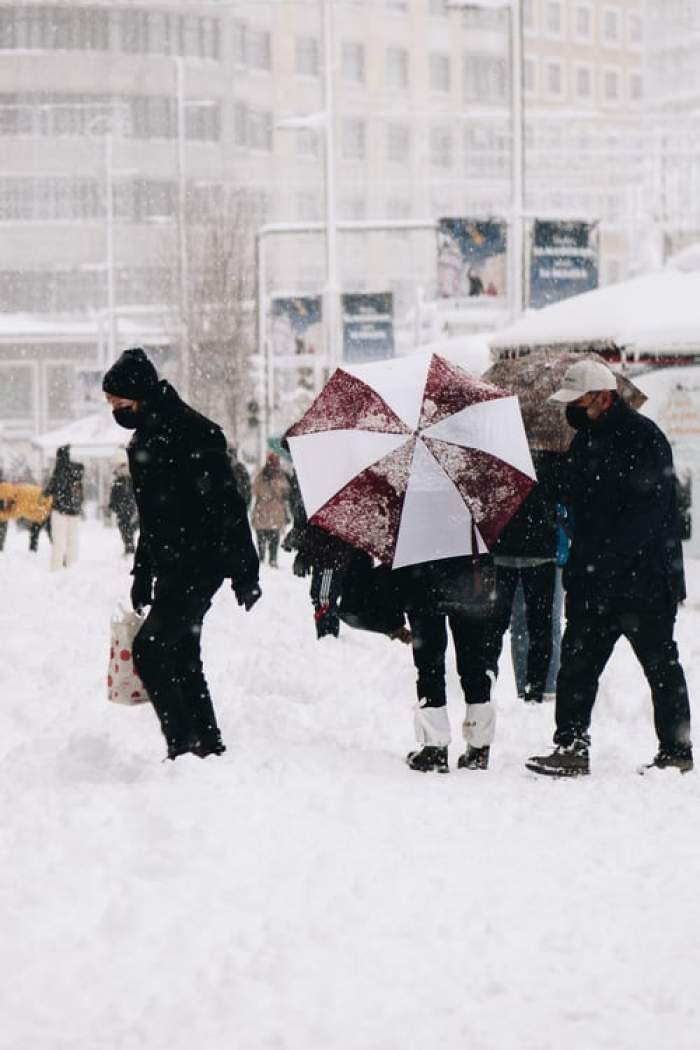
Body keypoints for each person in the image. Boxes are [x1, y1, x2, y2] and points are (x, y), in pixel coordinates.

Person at [526, 360, 693, 777]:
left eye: (578, 400)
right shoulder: (586, 440)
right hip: (597, 581)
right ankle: (571, 746)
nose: (572, 410)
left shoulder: (644, 438)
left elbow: (648, 514)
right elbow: (581, 494)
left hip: (645, 582)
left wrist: (604, 562)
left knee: (660, 667)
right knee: (577, 667)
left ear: (603, 397)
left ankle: (675, 751)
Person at [102, 346, 261, 761]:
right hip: (172, 563)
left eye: (118, 402)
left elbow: (227, 506)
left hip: (199, 562)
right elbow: (153, 516)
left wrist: (246, 571)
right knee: (182, 654)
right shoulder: (147, 436)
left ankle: (183, 746)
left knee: (151, 651)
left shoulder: (192, 433)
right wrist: (142, 572)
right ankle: (207, 744)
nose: (114, 410)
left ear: (139, 395)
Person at [398, 554, 498, 773]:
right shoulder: (470, 519)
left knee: (429, 664)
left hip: (423, 576)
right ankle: (479, 744)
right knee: (474, 663)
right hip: (471, 573)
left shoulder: (415, 522)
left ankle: (435, 746)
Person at [486, 451, 562, 704]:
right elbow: (563, 493)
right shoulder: (552, 456)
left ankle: (487, 677)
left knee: (497, 624)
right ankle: (535, 687)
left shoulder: (500, 450)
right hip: (540, 548)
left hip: (502, 545)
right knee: (540, 624)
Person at [44, 445, 84, 571]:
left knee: (59, 541)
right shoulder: (77, 470)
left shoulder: (59, 470)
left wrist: (44, 494)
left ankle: (55, 568)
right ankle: (72, 566)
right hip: (74, 511)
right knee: (73, 541)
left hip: (60, 510)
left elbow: (50, 490)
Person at [252, 452, 290, 568]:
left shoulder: (260, 476)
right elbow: (286, 492)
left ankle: (262, 558)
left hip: (262, 512)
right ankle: (272, 560)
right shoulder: (281, 477)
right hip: (275, 512)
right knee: (274, 538)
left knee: (261, 537)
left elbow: (255, 491)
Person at [108, 454, 138, 556]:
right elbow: (113, 497)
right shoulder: (118, 482)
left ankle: (129, 549)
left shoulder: (130, 481)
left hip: (129, 509)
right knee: (126, 530)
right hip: (124, 510)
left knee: (128, 529)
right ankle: (129, 548)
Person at [228, 446, 252, 511]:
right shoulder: (241, 469)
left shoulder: (240, 469)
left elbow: (247, 487)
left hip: (235, 504)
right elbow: (247, 487)